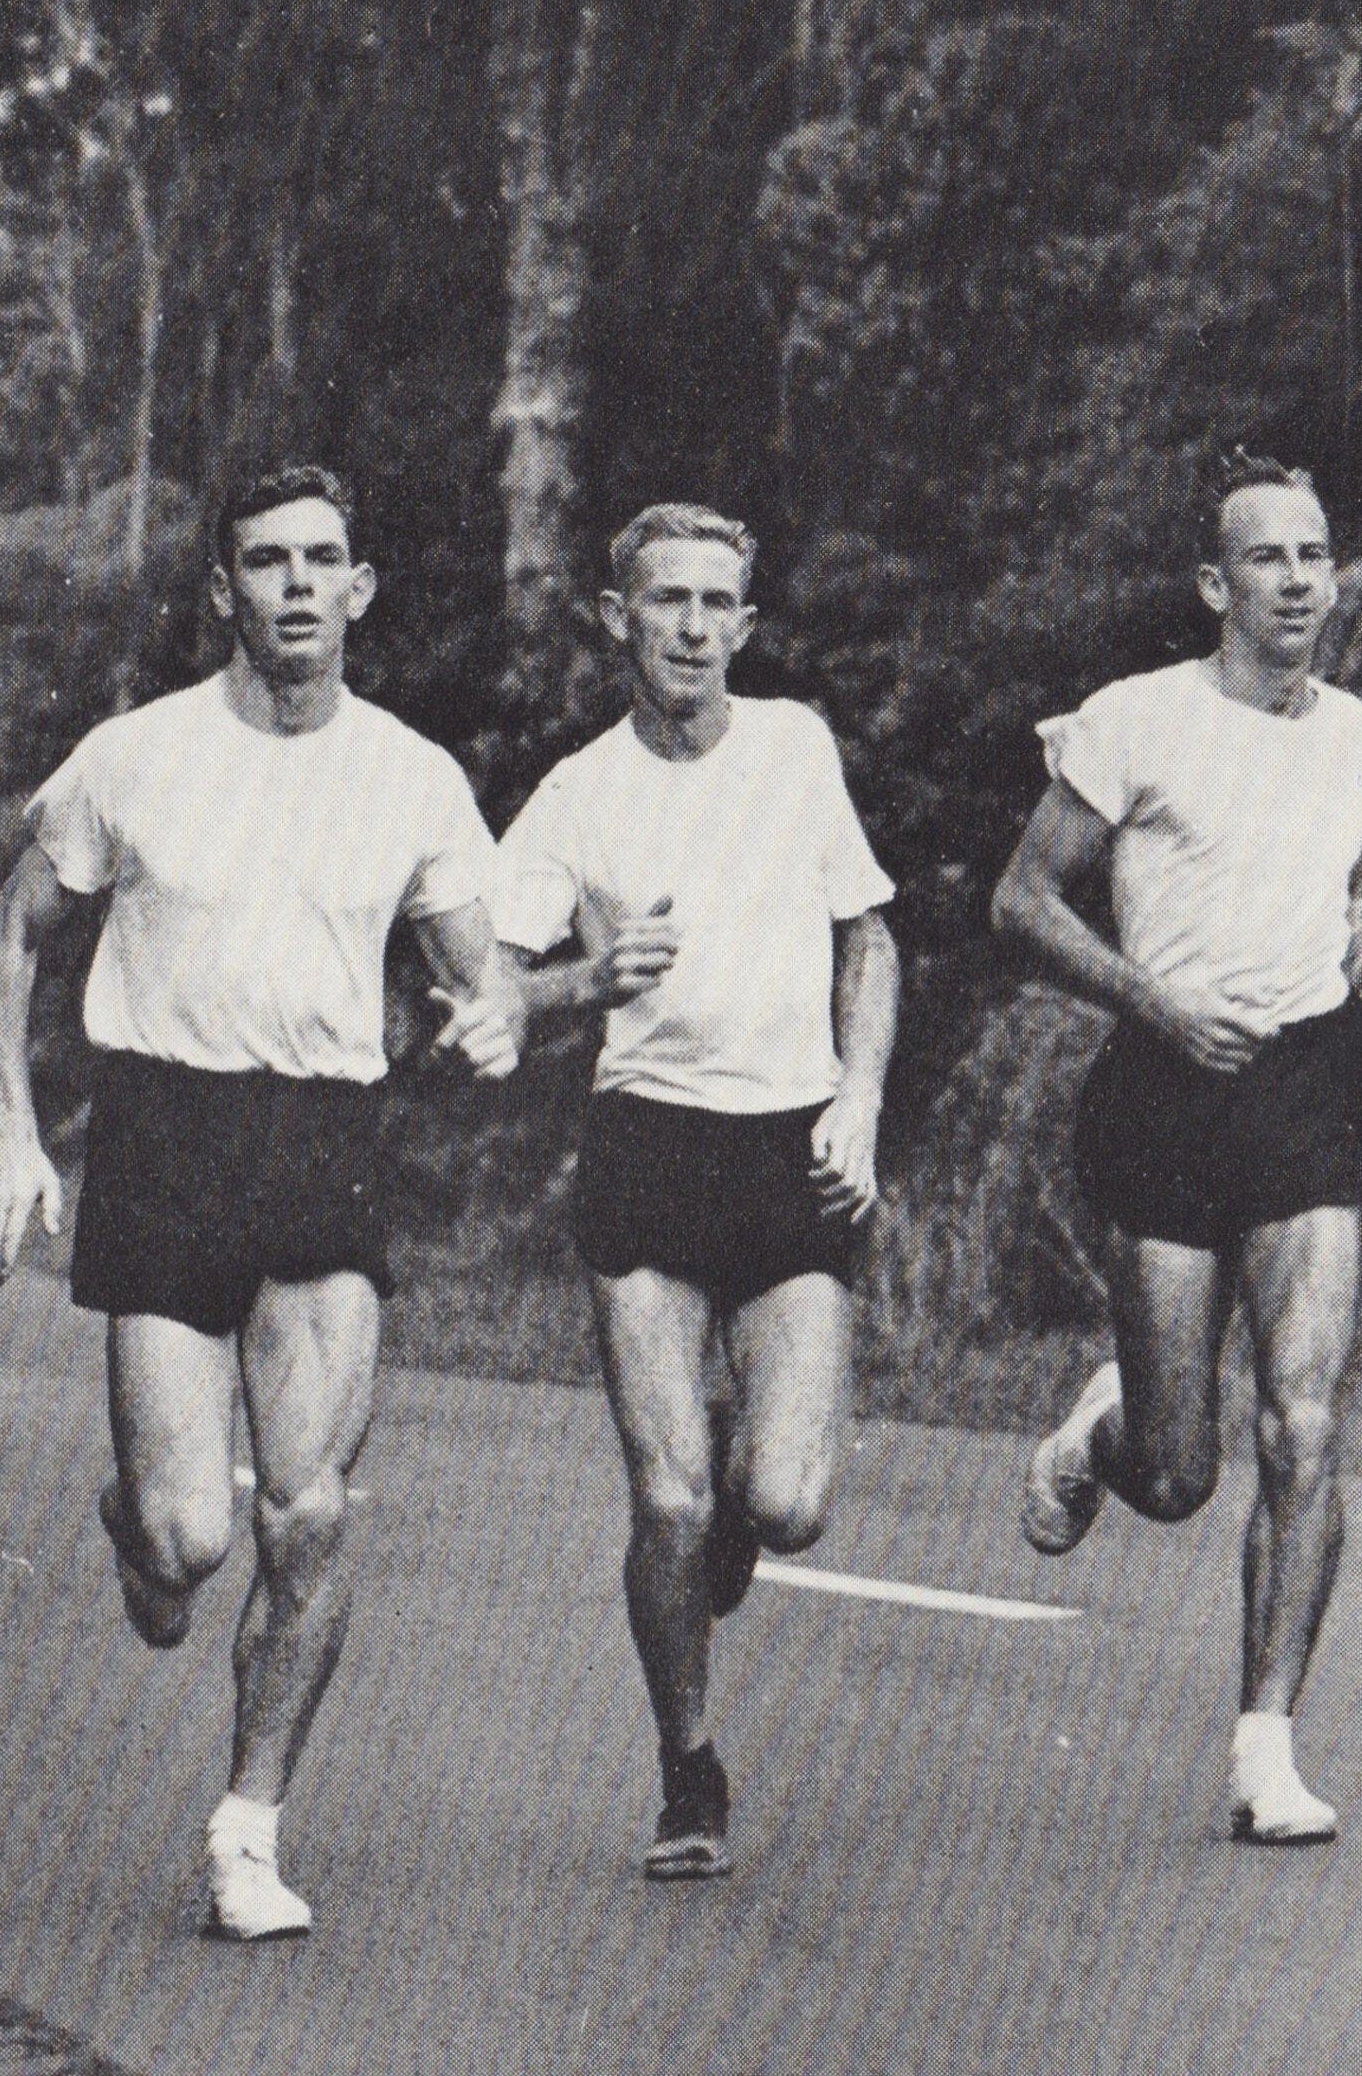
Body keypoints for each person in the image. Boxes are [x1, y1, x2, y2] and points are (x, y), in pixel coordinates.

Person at [0, 464, 517, 1940]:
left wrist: (495, 1017)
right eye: (264, 562)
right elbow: (10, 932)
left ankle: (247, 1832)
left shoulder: (411, 773)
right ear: (224, 590)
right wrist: (13, 1135)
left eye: (320, 560)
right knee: (193, 1539)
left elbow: (484, 969)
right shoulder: (133, 757)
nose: (293, 587)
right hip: (162, 1132)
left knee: (312, 1512)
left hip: (322, 1135)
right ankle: (137, 1522)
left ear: (359, 590)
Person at [994, 451, 1362, 1846]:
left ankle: (1265, 1745)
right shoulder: (1132, 723)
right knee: (1177, 1475)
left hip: (1303, 1087)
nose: (1300, 580)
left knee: (1302, 1423)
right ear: (1212, 585)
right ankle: (1098, 1428)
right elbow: (1022, 902)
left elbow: (1329, 890)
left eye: (1315, 554)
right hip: (1162, 1088)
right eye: (1268, 559)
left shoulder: (1358, 735)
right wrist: (1152, 1000)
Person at [473, 502, 898, 1882]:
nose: (696, 628)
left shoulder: (794, 748)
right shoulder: (577, 794)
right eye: (669, 602)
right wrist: (580, 982)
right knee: (666, 1508)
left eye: (720, 603)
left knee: (779, 1507)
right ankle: (688, 1769)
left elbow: (870, 942)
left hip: (789, 1149)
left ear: (747, 624)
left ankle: (733, 1500)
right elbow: (487, 985)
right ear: (619, 618)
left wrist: (860, 1098)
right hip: (649, 1148)